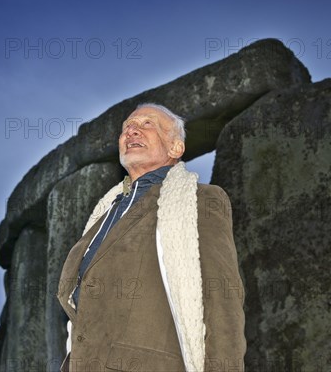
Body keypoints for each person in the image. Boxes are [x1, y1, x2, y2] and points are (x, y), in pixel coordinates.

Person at [57, 103, 246, 372]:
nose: (132, 130)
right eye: (126, 128)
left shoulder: (201, 200)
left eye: (147, 124)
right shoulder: (103, 215)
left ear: (175, 148)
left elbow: (223, 301)